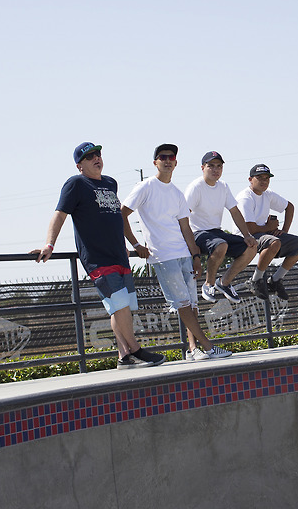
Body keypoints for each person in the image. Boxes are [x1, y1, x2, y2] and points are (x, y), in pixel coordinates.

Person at [31, 142, 165, 369]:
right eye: (89, 156)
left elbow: (115, 218)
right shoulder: (75, 184)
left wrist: (131, 243)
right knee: (119, 304)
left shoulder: (111, 183)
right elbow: (60, 215)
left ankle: (124, 356)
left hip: (119, 255)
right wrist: (49, 245)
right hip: (98, 258)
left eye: (98, 154)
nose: (96, 158)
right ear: (79, 165)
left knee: (121, 306)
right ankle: (136, 350)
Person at [120, 144, 232, 362]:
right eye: (163, 157)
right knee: (181, 303)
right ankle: (207, 346)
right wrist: (135, 244)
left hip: (183, 255)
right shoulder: (145, 187)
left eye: (171, 157)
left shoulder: (177, 192)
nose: (168, 160)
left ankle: (193, 349)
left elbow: (185, 227)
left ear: (176, 162)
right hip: (163, 256)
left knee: (192, 304)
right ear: (155, 162)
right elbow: (121, 215)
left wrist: (196, 256)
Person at [184, 151, 259, 304]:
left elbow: (235, 212)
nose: (215, 169)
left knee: (251, 247)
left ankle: (224, 283)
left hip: (216, 232)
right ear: (202, 168)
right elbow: (183, 216)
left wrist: (247, 235)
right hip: (197, 233)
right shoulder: (196, 187)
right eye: (211, 166)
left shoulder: (223, 186)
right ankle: (208, 284)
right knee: (221, 245)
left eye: (219, 166)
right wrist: (187, 243)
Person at [235, 164, 298, 301]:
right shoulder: (245, 197)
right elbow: (249, 229)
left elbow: (289, 207)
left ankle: (275, 280)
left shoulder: (267, 194)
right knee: (274, 242)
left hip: (264, 235)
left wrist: (284, 232)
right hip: (245, 237)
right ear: (250, 179)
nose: (264, 181)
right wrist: (269, 227)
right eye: (259, 178)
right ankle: (256, 280)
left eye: (267, 178)